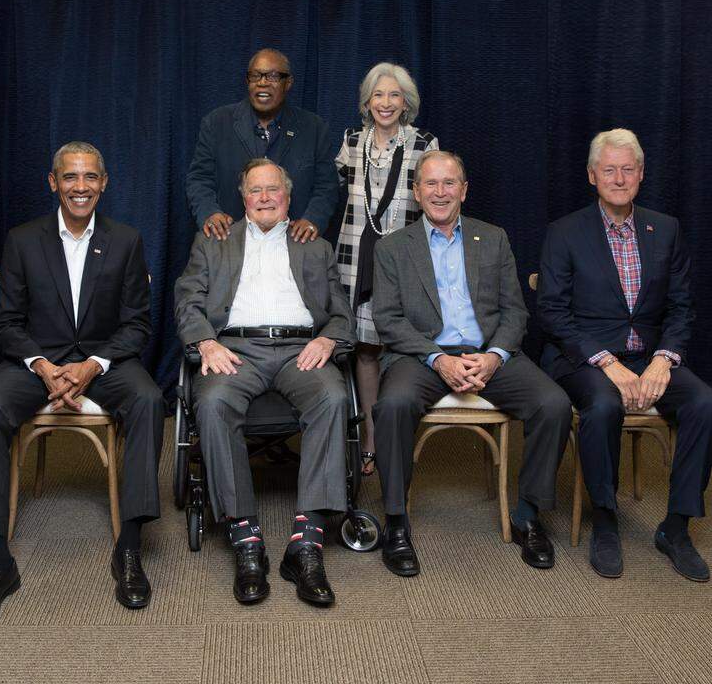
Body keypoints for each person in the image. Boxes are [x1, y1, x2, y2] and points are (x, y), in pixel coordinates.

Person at [0, 142, 165, 626]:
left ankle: (129, 548)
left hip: (103, 363)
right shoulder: (23, 240)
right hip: (37, 364)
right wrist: (42, 366)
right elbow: (5, 322)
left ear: (104, 183)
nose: (80, 187)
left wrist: (93, 365)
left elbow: (137, 324)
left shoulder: (127, 240)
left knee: (150, 399)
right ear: (53, 183)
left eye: (90, 177)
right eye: (70, 177)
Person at [372, 151, 572, 576]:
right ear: (416, 192)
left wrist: (495, 356)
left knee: (553, 404)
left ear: (464, 190)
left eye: (449, 183)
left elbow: (514, 311)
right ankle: (395, 521)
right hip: (422, 355)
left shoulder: (493, 237)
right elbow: (388, 321)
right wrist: (438, 357)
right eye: (430, 184)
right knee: (392, 405)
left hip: (488, 353)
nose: (440, 192)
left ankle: (528, 515)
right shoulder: (392, 248)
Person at [537, 128, 712, 582]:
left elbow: (682, 307)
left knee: (706, 403)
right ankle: (605, 519)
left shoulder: (666, 228)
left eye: (628, 169)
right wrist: (607, 362)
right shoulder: (565, 232)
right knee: (601, 406)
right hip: (585, 358)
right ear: (591, 176)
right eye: (609, 170)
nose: (619, 178)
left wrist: (665, 359)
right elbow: (552, 313)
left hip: (651, 357)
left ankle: (676, 528)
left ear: (640, 174)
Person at [174, 158, 354, 607]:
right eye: (256, 190)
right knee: (213, 403)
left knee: (333, 397)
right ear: (243, 197)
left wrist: (330, 339)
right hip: (236, 350)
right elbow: (188, 304)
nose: (265, 197)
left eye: (274, 189)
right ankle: (245, 536)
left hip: (301, 350)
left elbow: (341, 313)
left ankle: (306, 543)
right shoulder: (214, 242)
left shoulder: (315, 246)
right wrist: (206, 345)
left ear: (288, 197)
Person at [334, 62, 439, 476]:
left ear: (406, 102)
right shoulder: (351, 141)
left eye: (395, 95)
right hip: (355, 257)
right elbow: (340, 188)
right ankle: (371, 441)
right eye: (379, 95)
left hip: (405, 260)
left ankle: (399, 437)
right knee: (365, 349)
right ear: (367, 101)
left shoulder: (424, 143)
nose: (386, 103)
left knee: (403, 345)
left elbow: (434, 197)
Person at [185, 48, 340, 244]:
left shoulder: (314, 128)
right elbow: (199, 179)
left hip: (293, 245)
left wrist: (313, 219)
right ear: (247, 81)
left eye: (273, 76)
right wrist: (209, 213)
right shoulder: (216, 123)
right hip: (229, 244)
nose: (263, 82)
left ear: (288, 83)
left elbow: (327, 186)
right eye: (255, 75)